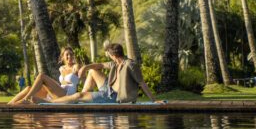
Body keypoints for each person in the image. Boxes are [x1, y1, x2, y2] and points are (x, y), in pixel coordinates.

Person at [16, 43, 159, 105]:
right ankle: (82, 99)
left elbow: (142, 83)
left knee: (78, 95)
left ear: (114, 54)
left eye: (109, 54)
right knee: (92, 71)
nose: (108, 57)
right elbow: (100, 65)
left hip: (114, 97)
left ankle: (49, 102)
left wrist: (154, 100)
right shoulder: (116, 63)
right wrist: (86, 68)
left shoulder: (130, 65)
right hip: (108, 89)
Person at [7, 47, 81, 105]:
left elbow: (80, 74)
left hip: (68, 94)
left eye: (71, 54)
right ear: (63, 57)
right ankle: (9, 105)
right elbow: (62, 83)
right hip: (60, 92)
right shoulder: (61, 68)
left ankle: (26, 99)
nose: (69, 56)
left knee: (42, 76)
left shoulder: (76, 66)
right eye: (67, 54)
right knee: (28, 88)